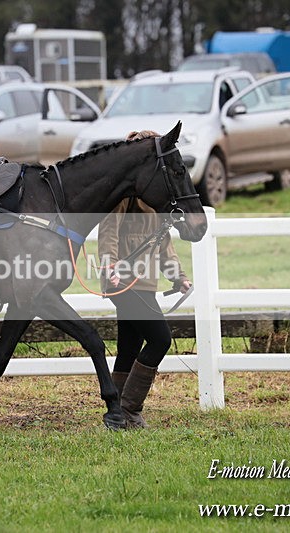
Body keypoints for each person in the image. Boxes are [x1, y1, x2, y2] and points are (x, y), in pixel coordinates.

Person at [99, 130, 191, 429]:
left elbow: (163, 244)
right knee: (161, 339)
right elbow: (108, 231)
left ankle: (117, 413)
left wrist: (178, 277)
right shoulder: (123, 194)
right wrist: (110, 265)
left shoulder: (155, 198)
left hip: (144, 283)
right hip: (123, 281)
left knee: (129, 345)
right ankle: (128, 409)